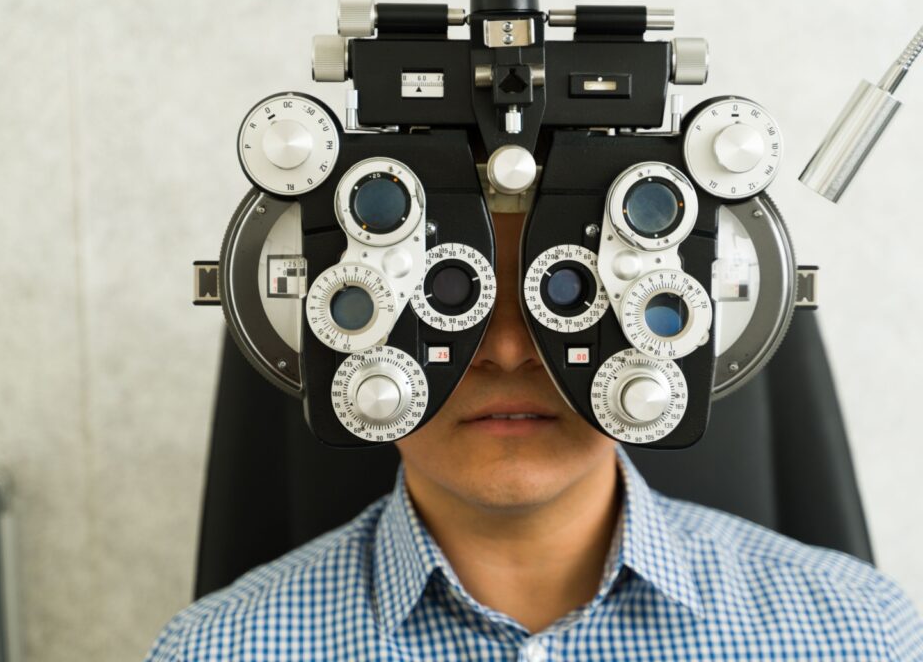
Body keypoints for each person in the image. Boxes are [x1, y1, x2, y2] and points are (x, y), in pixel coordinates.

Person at [146, 210, 923, 661]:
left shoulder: (861, 637)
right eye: (441, 296)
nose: (509, 350)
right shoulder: (220, 652)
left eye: (566, 293)